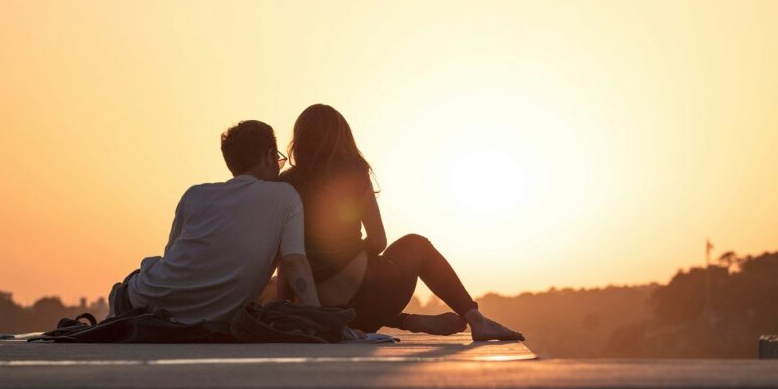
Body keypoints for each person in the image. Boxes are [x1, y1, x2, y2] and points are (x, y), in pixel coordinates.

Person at [279, 104, 524, 341]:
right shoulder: (353, 170)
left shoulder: (285, 183)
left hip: (320, 305)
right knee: (416, 245)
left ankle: (406, 321)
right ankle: (477, 320)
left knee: (358, 291)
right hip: (365, 295)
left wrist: (291, 305)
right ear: (342, 138)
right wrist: (349, 255)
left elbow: (285, 256)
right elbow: (378, 240)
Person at [106, 120, 321, 324]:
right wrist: (321, 322)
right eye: (278, 160)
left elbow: (175, 259)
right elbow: (294, 263)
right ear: (269, 156)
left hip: (147, 302)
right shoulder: (285, 196)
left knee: (136, 280)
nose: (279, 168)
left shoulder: (195, 195)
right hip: (200, 317)